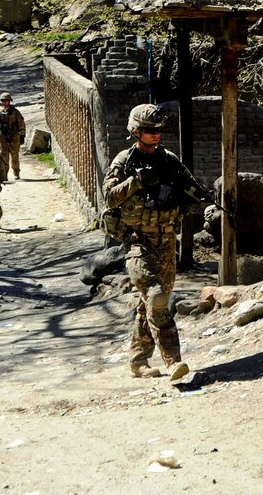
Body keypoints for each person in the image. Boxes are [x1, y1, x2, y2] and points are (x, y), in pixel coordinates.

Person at [102, 103, 199, 382]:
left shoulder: (169, 159)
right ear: (135, 131)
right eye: (148, 130)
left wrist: (186, 201)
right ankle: (173, 362)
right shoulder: (124, 161)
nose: (155, 134)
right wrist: (137, 181)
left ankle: (138, 361)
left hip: (167, 240)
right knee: (156, 298)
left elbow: (191, 189)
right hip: (137, 241)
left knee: (152, 303)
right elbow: (109, 197)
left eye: (158, 130)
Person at [0, 92, 26, 180]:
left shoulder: (15, 112)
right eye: (3, 100)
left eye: (7, 100)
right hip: (2, 138)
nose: (5, 102)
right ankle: (4, 175)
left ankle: (16, 173)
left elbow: (21, 123)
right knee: (4, 157)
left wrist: (22, 135)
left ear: (9, 101)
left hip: (14, 137)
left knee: (15, 156)